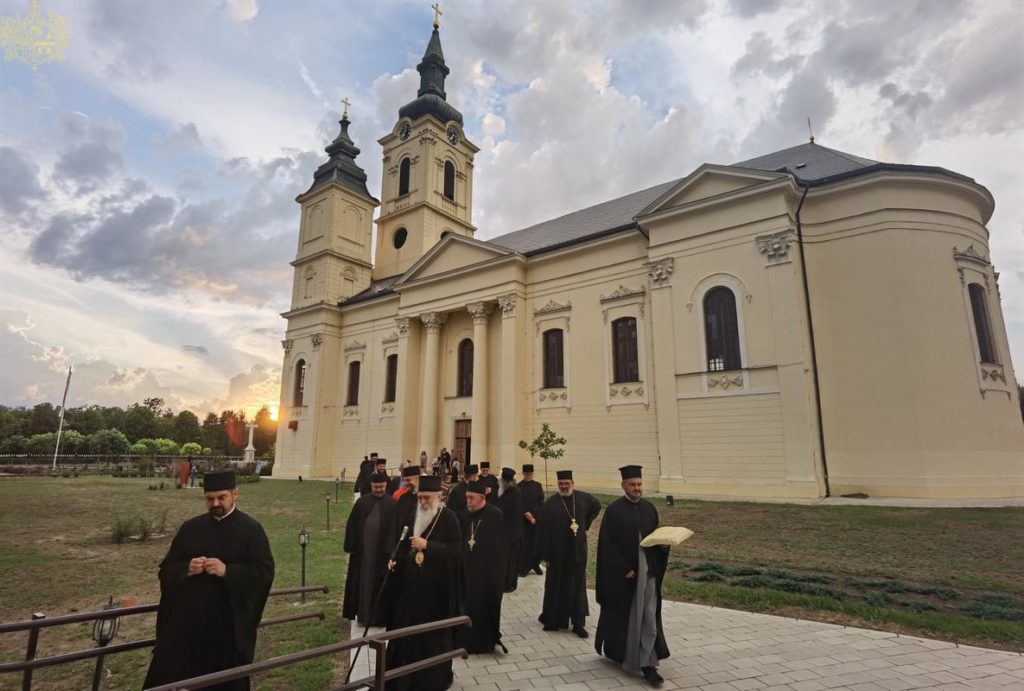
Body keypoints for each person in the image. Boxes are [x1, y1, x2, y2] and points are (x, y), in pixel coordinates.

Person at [143, 470, 275, 690]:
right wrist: (186, 568)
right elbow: (166, 570)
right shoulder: (191, 528)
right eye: (209, 498)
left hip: (227, 632)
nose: (215, 503)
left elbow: (264, 573)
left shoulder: (251, 530)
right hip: (186, 630)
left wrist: (228, 571)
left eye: (221, 497)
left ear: (235, 494)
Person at [384, 476, 463, 690]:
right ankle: (402, 677)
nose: (422, 502)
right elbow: (404, 543)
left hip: (435, 593)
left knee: (430, 638)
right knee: (406, 633)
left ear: (439, 496)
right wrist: (395, 560)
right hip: (410, 590)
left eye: (426, 498)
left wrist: (429, 545)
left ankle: (431, 678)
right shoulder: (414, 513)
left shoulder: (449, 518)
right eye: (420, 498)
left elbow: (456, 552)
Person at [595, 465, 671, 687]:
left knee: (649, 615)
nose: (637, 488)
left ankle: (648, 663)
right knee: (630, 617)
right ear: (623, 486)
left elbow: (655, 539)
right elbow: (606, 546)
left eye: (639, 484)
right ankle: (625, 655)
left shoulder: (649, 508)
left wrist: (665, 545)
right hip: (626, 577)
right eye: (632, 485)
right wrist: (622, 568)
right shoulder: (614, 511)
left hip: (649, 574)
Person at [535, 469, 601, 637]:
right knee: (554, 586)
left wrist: (585, 523)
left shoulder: (584, 498)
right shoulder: (550, 504)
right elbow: (543, 531)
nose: (564, 486)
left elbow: (597, 506)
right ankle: (553, 620)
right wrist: (545, 556)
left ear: (572, 483)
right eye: (561, 484)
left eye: (567, 483)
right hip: (557, 555)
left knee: (577, 588)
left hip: (577, 552)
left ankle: (578, 623)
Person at [457, 480, 508, 654]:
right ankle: (466, 641)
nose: (468, 501)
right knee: (467, 606)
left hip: (487, 574)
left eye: (471, 498)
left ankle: (484, 643)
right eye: (467, 498)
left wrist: (496, 575)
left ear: (481, 497)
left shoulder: (495, 515)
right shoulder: (465, 515)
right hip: (466, 572)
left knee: (483, 608)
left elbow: (500, 548)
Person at [343, 472, 398, 626]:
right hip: (363, 554)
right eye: (376, 487)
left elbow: (395, 530)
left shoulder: (392, 504)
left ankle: (379, 618)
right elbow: (351, 525)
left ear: (386, 486)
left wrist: (391, 551)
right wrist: (351, 546)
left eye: (381, 487)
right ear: (371, 486)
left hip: (382, 555)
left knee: (380, 585)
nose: (379, 489)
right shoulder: (361, 503)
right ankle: (363, 616)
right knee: (363, 583)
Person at [497, 467, 523, 593]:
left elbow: (513, 515)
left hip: (511, 533)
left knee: (511, 560)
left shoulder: (514, 493)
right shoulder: (506, 491)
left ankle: (510, 583)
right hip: (505, 532)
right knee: (505, 559)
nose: (500, 482)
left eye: (501, 480)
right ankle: (505, 581)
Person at [518, 464, 545, 577]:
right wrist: (526, 513)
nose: (528, 475)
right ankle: (524, 567)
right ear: (523, 473)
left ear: (532, 473)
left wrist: (534, 516)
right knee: (525, 544)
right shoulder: (518, 486)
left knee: (536, 543)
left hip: (535, 520)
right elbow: (518, 502)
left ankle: (535, 564)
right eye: (526, 474)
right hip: (523, 521)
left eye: (530, 474)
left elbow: (540, 501)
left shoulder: (538, 485)